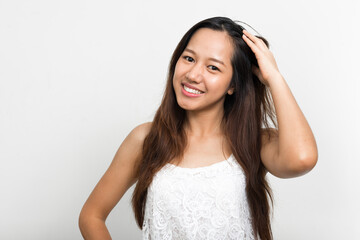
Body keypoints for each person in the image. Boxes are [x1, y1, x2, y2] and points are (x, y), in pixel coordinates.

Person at [78, 16, 318, 240]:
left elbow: (302, 159)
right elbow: (92, 216)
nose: (193, 74)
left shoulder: (255, 141)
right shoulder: (146, 138)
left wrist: (274, 77)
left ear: (233, 85)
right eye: (189, 58)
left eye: (213, 67)